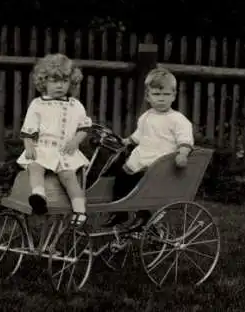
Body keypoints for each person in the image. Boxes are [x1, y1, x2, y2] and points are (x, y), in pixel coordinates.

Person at [102, 67, 194, 229]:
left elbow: (185, 140)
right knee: (121, 177)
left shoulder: (178, 119)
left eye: (166, 95)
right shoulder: (146, 116)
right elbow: (138, 135)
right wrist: (126, 141)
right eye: (157, 94)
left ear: (173, 96)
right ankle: (119, 211)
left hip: (160, 162)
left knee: (142, 186)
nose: (161, 99)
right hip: (142, 157)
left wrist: (183, 154)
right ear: (148, 96)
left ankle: (143, 215)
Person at [17, 53, 92, 228]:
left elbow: (84, 127)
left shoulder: (75, 105)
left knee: (69, 177)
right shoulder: (38, 104)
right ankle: (39, 195)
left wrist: (75, 141)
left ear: (71, 82)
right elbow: (29, 130)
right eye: (54, 81)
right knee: (35, 166)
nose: (60, 85)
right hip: (43, 147)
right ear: (43, 82)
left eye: (64, 81)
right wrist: (28, 146)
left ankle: (80, 211)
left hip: (65, 150)